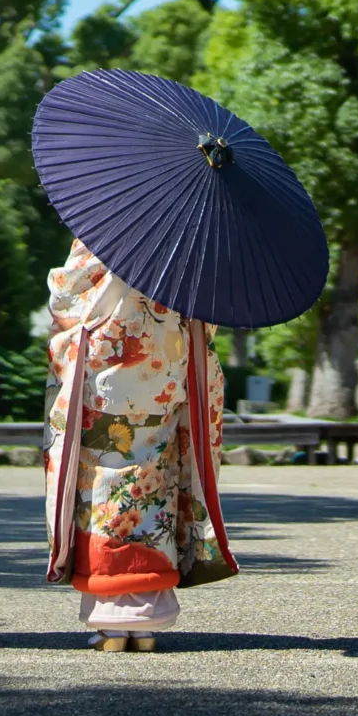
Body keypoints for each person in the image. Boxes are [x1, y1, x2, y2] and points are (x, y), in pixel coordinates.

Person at [43, 238, 236, 652]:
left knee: (100, 493)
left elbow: (67, 297)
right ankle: (145, 622)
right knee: (154, 487)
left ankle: (112, 624)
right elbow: (208, 314)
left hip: (106, 381)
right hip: (164, 378)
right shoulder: (187, 240)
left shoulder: (105, 230)